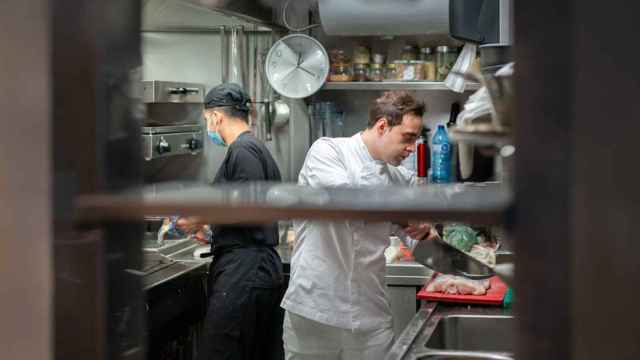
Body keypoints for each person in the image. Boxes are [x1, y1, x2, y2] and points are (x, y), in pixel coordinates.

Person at [281, 91, 436, 360]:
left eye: (416, 139)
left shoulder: (399, 178)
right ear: (382, 126)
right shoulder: (328, 151)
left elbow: (420, 240)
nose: (413, 148)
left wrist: (428, 231)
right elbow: (347, 203)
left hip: (371, 316)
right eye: (408, 138)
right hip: (315, 312)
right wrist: (404, 215)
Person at [184, 83, 284, 360]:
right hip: (251, 266)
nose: (209, 127)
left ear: (216, 117)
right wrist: (213, 232)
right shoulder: (254, 149)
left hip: (245, 271)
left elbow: (246, 204)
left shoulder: (243, 150)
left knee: (221, 352)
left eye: (207, 120)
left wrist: (199, 218)